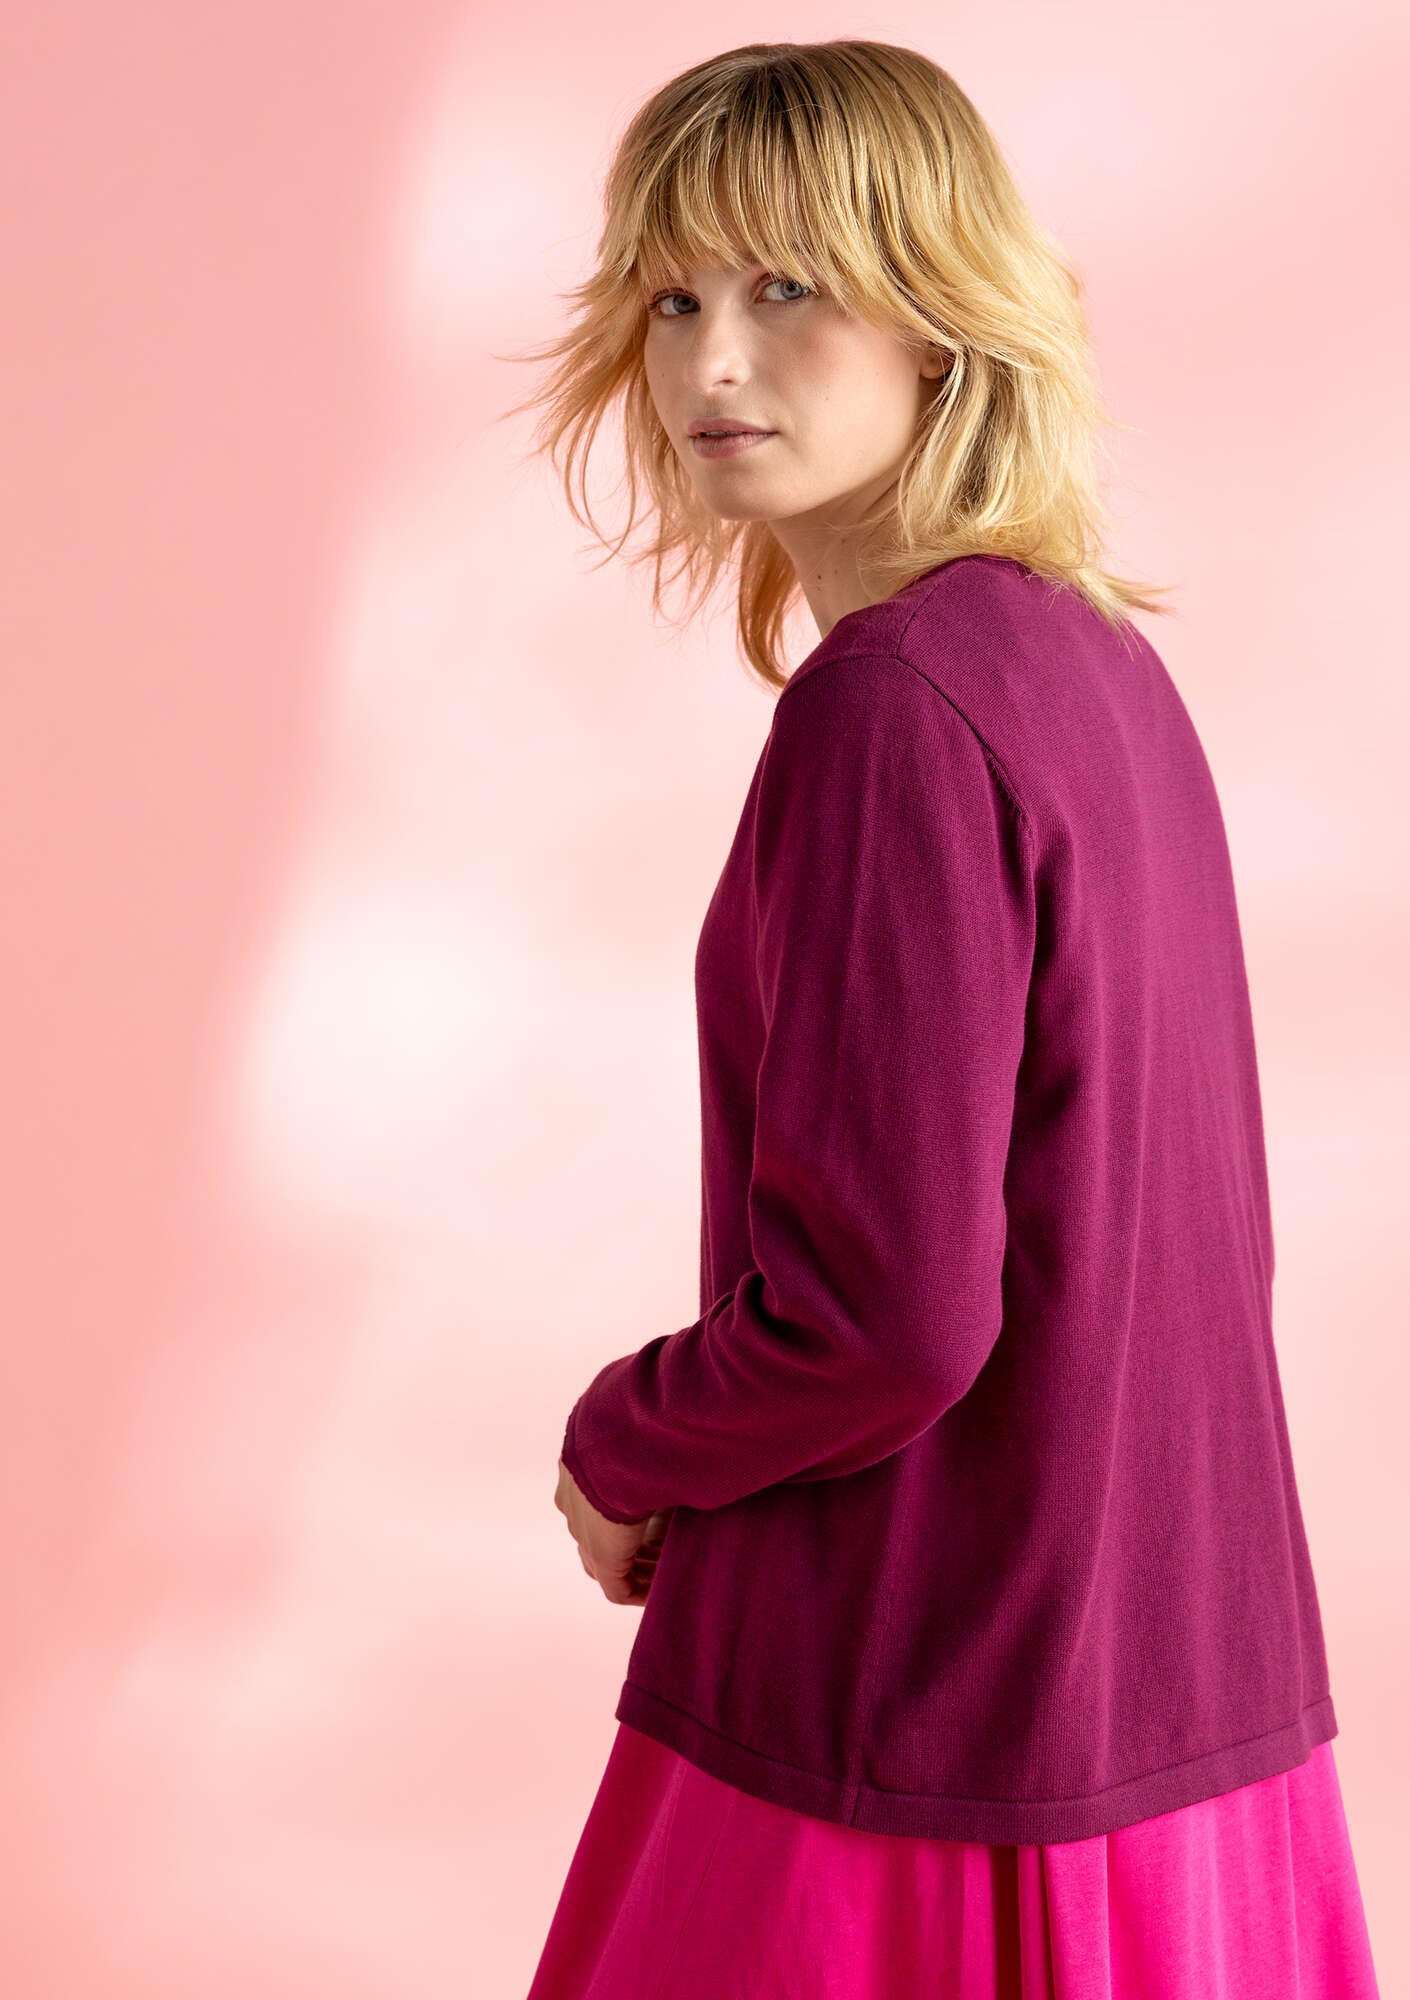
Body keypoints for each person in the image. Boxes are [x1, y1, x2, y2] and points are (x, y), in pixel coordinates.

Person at [503, 39, 1382, 1999]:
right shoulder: (1090, 662)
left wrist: (626, 1439)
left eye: (786, 286)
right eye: (672, 297)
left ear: (937, 315)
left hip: (913, 1740)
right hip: (1183, 1720)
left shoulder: (893, 708)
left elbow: (887, 1315)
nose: (714, 360)